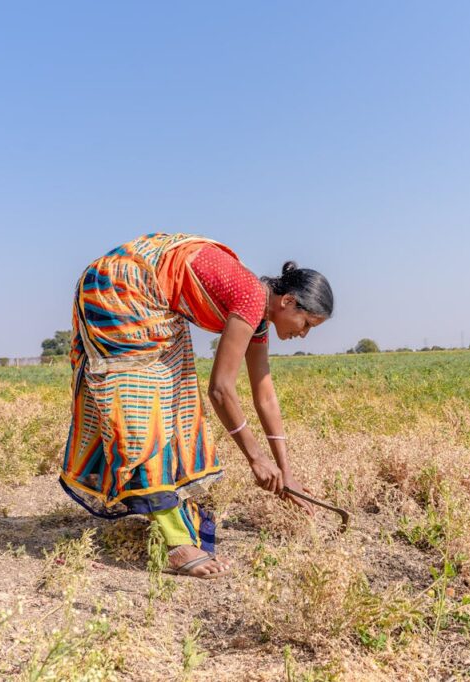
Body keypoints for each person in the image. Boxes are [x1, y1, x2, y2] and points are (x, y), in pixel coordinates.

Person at [59, 232, 333, 578]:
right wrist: (256, 458)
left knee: (178, 405)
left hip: (153, 299)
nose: (303, 334)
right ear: (288, 301)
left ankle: (166, 512)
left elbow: (264, 394)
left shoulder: (258, 315)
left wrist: (286, 473)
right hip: (121, 288)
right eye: (306, 323)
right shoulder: (251, 298)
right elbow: (220, 389)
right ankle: (175, 543)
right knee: (143, 408)